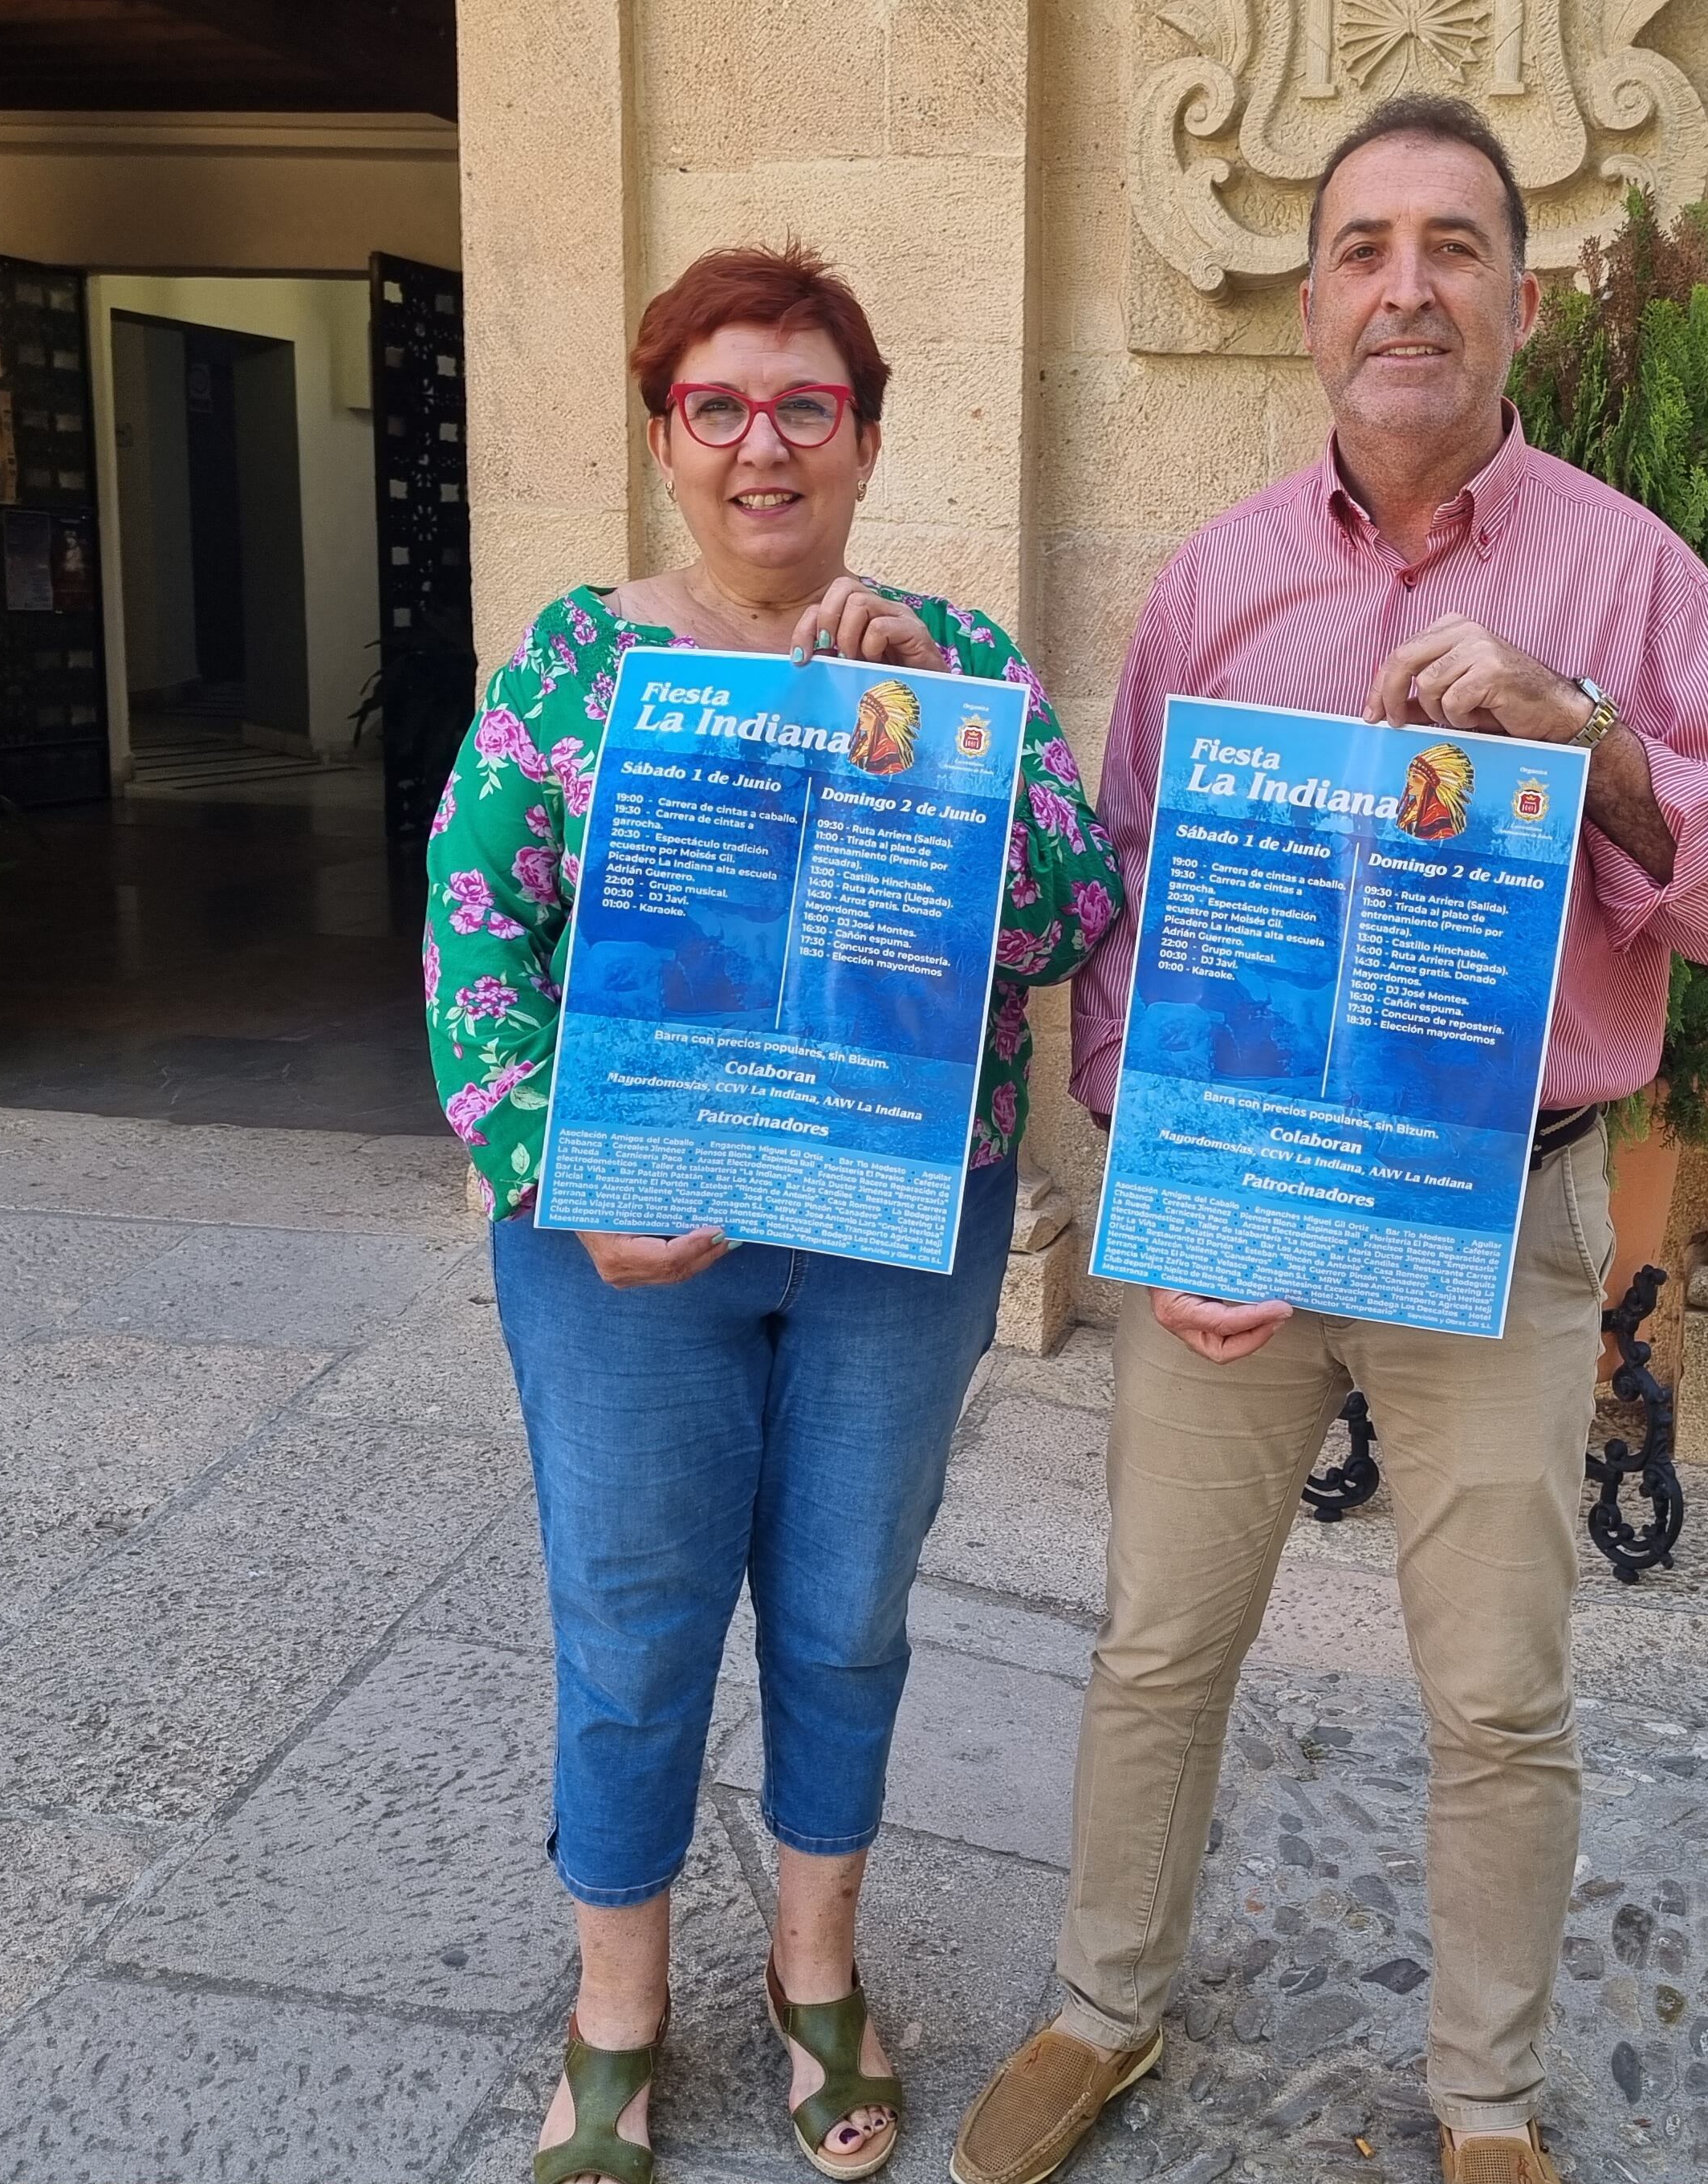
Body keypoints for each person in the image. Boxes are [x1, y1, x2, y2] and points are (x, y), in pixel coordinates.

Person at [950, 97, 1708, 2184]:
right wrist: (1157, 1193)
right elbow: (1137, 902)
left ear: (1518, 295)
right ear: (1312, 299)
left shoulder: (1624, 570)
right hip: (1233, 1222)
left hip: (1497, 1218)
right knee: (1163, 1641)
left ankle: (1488, 2106)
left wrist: (1585, 736)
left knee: (1501, 1694)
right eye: (1362, 248)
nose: (1405, 286)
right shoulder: (1221, 584)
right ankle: (1103, 2009)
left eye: (1451, 246)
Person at [425, 242, 1127, 2184]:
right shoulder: (579, 662)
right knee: (637, 1617)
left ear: (869, 440)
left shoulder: (961, 664)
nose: (763, 447)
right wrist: (557, 1174)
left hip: (896, 1233)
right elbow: (475, 928)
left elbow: (1075, 922)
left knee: (843, 1612)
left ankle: (818, 1973)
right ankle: (617, 2004)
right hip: (626, 1242)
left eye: (806, 406)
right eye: (719, 406)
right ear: (668, 439)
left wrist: (954, 763)